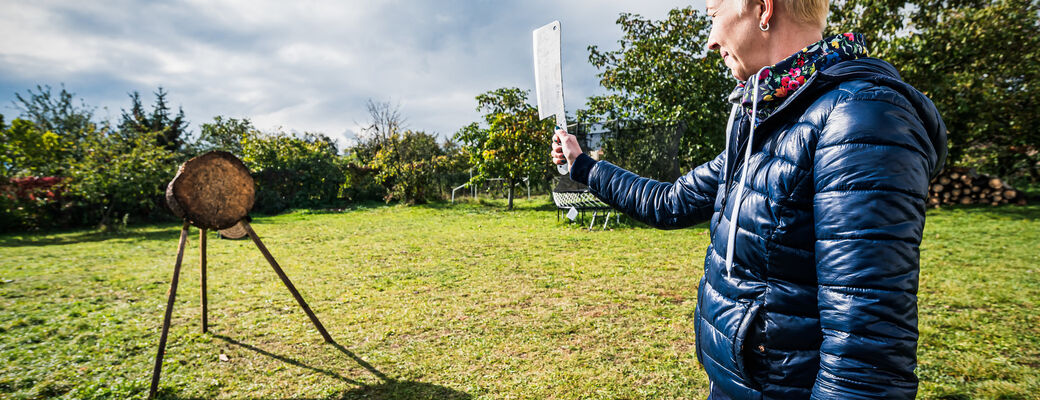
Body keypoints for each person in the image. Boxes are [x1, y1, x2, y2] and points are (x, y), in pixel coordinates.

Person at [550, 0, 947, 398]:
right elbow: (670, 202)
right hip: (736, 384)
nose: (710, 41)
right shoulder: (766, 119)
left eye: (713, 17)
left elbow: (865, 354)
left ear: (763, 9)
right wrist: (583, 165)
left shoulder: (862, 117)